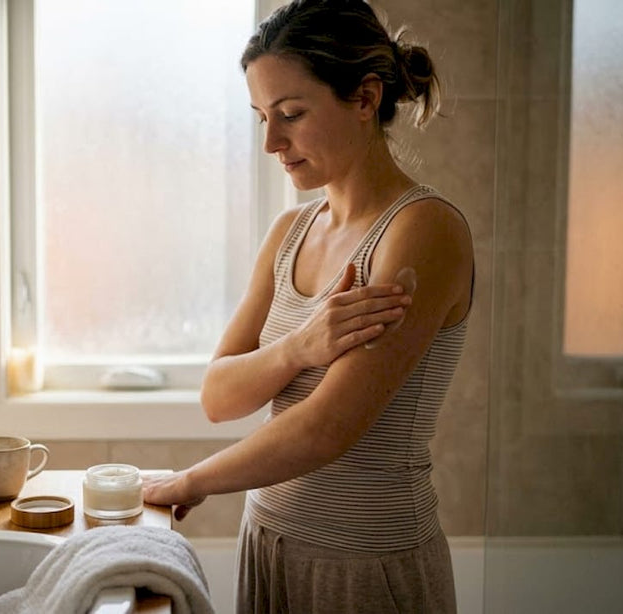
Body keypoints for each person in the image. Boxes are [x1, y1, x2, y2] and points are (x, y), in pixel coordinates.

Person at [142, 0, 474, 612]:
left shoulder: (422, 231)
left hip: (364, 564)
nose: (271, 141)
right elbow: (219, 396)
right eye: (262, 116)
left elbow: (328, 428)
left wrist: (190, 482)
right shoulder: (290, 231)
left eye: (291, 114)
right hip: (269, 542)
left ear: (366, 98)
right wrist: (300, 346)